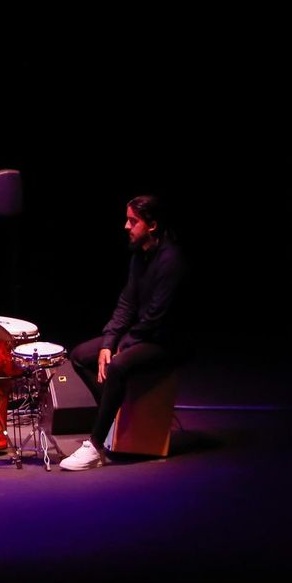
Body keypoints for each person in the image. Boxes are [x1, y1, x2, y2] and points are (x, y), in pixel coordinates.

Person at [60, 195, 189, 471]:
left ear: (152, 225)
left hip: (166, 341)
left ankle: (95, 446)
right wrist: (109, 341)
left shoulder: (171, 260)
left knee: (117, 365)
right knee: (82, 355)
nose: (126, 226)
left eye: (133, 221)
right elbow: (127, 303)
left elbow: (158, 316)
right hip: (144, 334)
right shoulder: (139, 255)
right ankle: (112, 417)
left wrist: (124, 345)